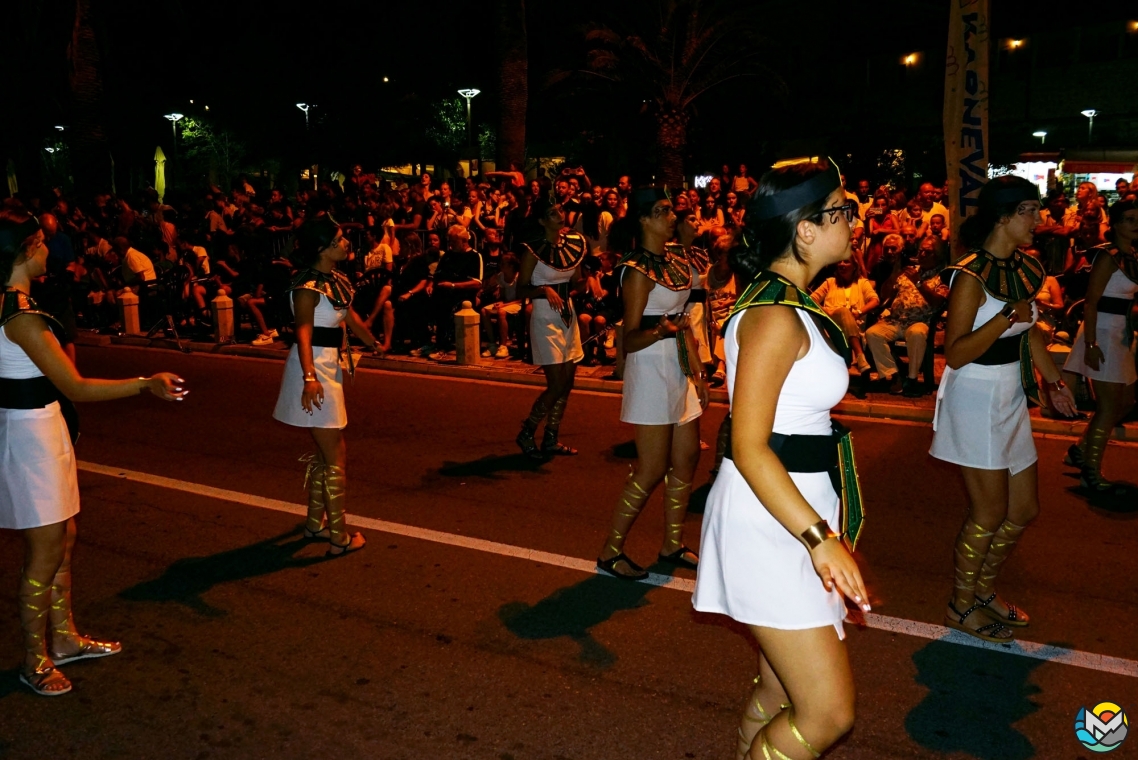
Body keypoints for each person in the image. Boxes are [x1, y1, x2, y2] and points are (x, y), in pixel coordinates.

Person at [691, 159, 870, 760]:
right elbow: (747, 445)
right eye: (842, 210)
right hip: (773, 520)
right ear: (805, 230)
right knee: (828, 713)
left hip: (793, 507)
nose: (855, 219)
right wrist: (819, 538)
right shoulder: (772, 314)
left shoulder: (789, 303)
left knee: (777, 687)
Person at [1, 211, 186, 696]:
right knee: (43, 553)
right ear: (23, 251)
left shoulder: (18, 306)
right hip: (31, 434)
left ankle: (62, 639)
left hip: (39, 428)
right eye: (41, 242)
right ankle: (34, 660)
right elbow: (77, 386)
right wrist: (146, 383)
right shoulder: (19, 316)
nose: (48, 249)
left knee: (64, 537)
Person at [931, 176, 1078, 644]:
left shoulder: (1024, 268)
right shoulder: (970, 276)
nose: (1040, 220)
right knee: (988, 513)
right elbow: (955, 353)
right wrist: (1004, 317)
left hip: (1009, 396)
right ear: (1003, 216)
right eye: (1030, 211)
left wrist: (1052, 381)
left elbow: (1031, 331)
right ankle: (960, 603)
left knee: (1024, 508)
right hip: (973, 396)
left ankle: (982, 590)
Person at [595, 189, 709, 581]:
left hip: (677, 362)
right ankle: (611, 551)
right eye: (662, 211)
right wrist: (662, 329)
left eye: (672, 210)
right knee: (652, 467)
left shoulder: (676, 258)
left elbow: (685, 319)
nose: (672, 216)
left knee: (688, 457)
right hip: (649, 366)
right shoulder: (635, 270)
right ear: (643, 219)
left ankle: (672, 543)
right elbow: (629, 338)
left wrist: (696, 368)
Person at [271, 217, 380, 557]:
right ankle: (338, 536)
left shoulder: (333, 280)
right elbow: (303, 331)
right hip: (314, 368)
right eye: (339, 239)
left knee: (325, 451)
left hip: (327, 366)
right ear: (323, 249)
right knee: (335, 454)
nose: (346, 242)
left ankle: (315, 524)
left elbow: (349, 317)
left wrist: (374, 343)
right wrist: (309, 378)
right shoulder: (306, 286)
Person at [1062, 200, 1138, 494]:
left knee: (1126, 402)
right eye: (1129, 219)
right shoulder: (1108, 256)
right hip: (1102, 334)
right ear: (1116, 224)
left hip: (1120, 335)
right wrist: (1091, 343)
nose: (1135, 224)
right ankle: (1090, 471)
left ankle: (1080, 451)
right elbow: (1090, 303)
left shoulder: (1131, 255)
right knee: (1107, 408)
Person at [514, 199, 587, 459]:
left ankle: (551, 438)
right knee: (556, 383)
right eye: (552, 212)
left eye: (560, 210)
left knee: (567, 383)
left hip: (568, 316)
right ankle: (527, 431)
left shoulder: (574, 246)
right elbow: (519, 288)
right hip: (545, 316)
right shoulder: (532, 251)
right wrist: (544, 289)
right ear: (542, 221)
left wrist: (587, 283)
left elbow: (577, 282)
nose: (559, 214)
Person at [811, 250, 879, 393]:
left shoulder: (862, 283)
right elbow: (812, 300)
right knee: (842, 311)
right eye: (840, 261)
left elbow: (875, 300)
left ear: (854, 265)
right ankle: (860, 356)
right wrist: (827, 311)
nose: (841, 264)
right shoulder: (830, 282)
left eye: (846, 261)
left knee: (845, 313)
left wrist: (859, 312)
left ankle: (854, 361)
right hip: (831, 325)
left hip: (853, 326)